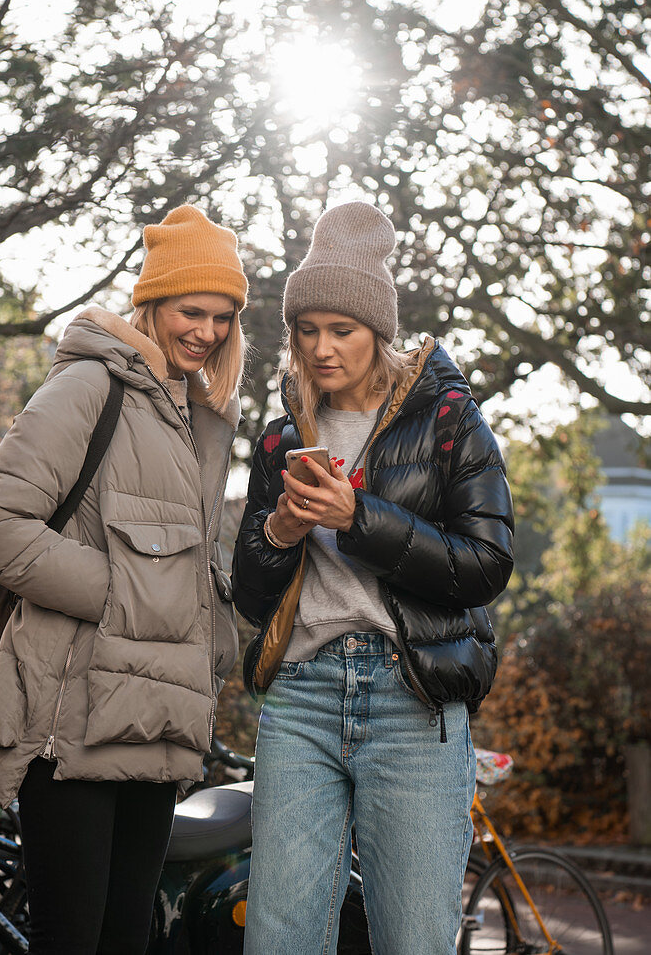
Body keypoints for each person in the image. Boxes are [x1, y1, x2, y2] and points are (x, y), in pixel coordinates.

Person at [0, 204, 248, 955]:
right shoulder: (91, 385)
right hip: (73, 721)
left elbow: (190, 567)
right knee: (72, 941)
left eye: (222, 318)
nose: (207, 332)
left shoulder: (200, 418)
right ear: (152, 302)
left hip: (158, 718)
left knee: (127, 939)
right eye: (192, 310)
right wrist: (120, 595)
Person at [232, 200, 514, 955]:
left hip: (411, 700)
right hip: (302, 699)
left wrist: (361, 519)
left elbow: (486, 566)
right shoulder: (284, 438)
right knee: (277, 940)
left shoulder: (449, 419)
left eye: (342, 330)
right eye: (307, 329)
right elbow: (251, 595)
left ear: (378, 331)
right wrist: (281, 532)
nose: (322, 348)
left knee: (411, 941)